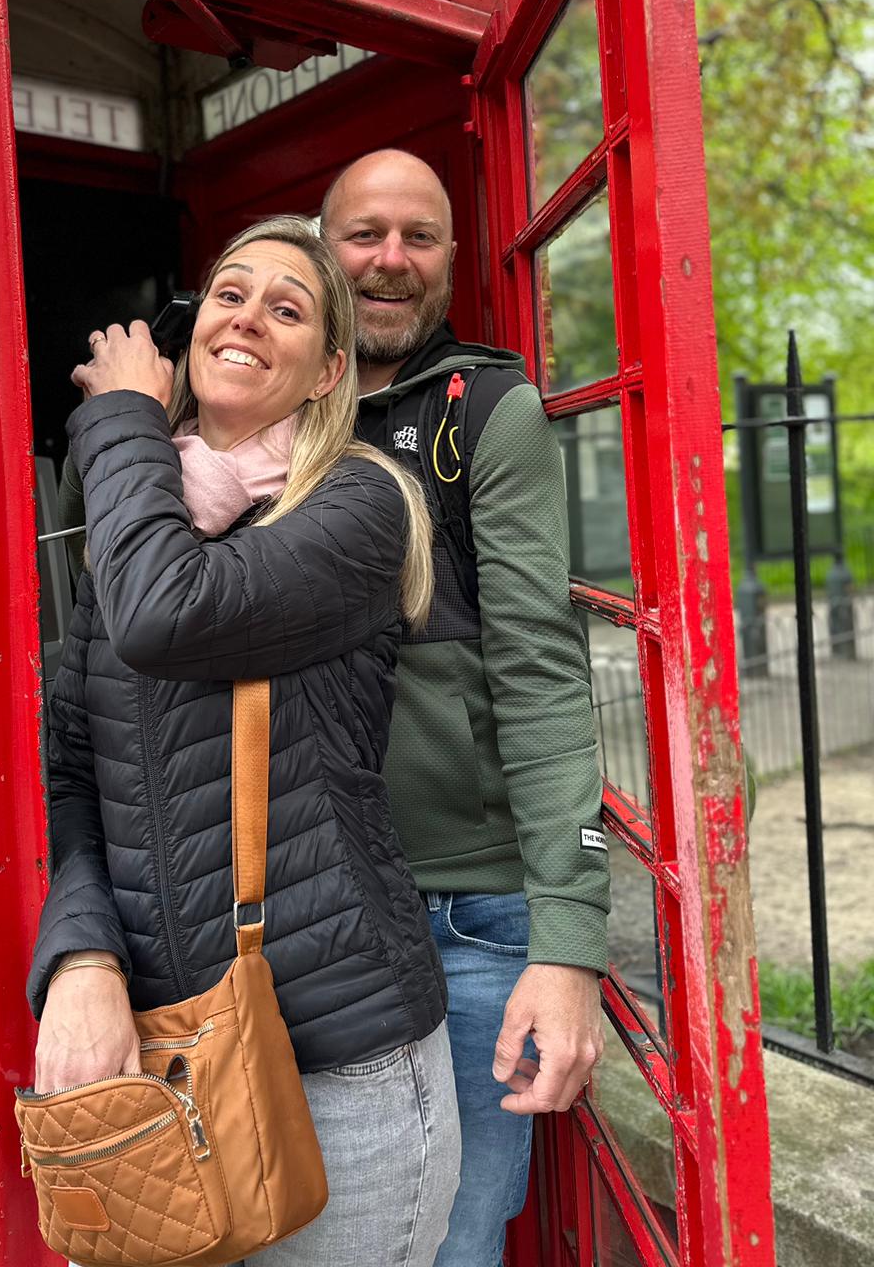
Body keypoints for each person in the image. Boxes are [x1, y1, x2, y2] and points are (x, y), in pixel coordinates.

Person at [29, 215, 461, 1267]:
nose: (249, 318)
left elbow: (166, 614)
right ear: (193, 329)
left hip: (339, 1075)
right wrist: (80, 955)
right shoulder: (135, 522)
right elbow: (71, 773)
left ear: (328, 372)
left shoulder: (360, 503)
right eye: (230, 293)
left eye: (288, 309)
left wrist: (124, 414)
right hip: (154, 1062)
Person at [320, 149, 609, 1267]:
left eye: (420, 236)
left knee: (456, 1239)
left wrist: (568, 941)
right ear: (320, 248)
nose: (391, 259)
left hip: (471, 916)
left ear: (450, 257)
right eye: (365, 234)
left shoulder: (487, 409)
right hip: (306, 909)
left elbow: (541, 669)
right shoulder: (257, 409)